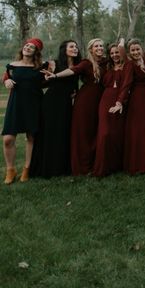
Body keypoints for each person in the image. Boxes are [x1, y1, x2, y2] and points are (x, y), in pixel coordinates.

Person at [110, 34, 145, 174]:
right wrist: (119, 102)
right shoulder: (130, 65)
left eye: (137, 49)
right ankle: (139, 164)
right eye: (133, 50)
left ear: (141, 49)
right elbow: (126, 84)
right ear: (129, 52)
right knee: (139, 130)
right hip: (138, 100)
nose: (136, 52)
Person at [48, 38, 107, 176]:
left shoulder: (106, 62)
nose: (99, 48)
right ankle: (82, 166)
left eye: (101, 45)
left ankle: (95, 163)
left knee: (96, 131)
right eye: (96, 46)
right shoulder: (86, 63)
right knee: (84, 133)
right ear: (91, 49)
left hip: (101, 100)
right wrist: (56, 75)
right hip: (85, 101)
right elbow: (72, 70)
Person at [30, 40, 80, 178]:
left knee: (63, 133)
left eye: (76, 47)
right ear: (64, 49)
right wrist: (46, 78)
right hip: (51, 102)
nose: (75, 48)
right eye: (71, 47)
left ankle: (61, 168)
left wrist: (76, 92)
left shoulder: (78, 65)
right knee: (49, 134)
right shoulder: (53, 63)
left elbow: (75, 84)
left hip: (66, 103)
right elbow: (40, 82)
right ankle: (46, 169)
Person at [2, 38, 47, 184]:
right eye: (27, 45)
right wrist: (6, 81)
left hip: (34, 104)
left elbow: (49, 80)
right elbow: (6, 77)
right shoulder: (12, 66)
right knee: (8, 139)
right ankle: (11, 170)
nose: (28, 48)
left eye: (32, 47)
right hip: (15, 105)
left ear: (36, 52)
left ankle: (27, 169)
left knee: (31, 137)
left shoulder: (40, 67)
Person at [93, 40, 126, 177]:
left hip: (121, 100)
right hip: (105, 101)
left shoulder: (127, 66)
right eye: (112, 53)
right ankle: (102, 167)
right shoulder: (105, 66)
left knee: (117, 133)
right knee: (104, 133)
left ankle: (116, 165)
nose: (114, 55)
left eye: (117, 52)